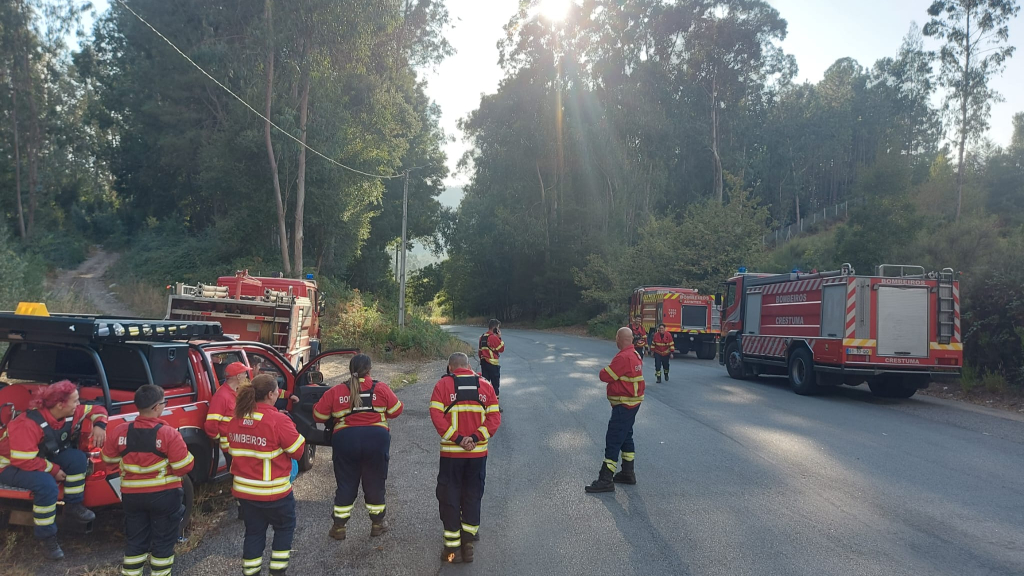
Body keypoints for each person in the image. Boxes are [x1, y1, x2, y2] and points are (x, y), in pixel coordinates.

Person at [0, 380, 107, 560]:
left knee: (77, 459)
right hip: (10, 466)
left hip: (39, 458)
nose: (79, 404)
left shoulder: (71, 412)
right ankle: (47, 538)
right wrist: (53, 469)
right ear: (60, 405)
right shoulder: (26, 424)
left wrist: (99, 425)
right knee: (47, 485)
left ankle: (74, 506)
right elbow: (24, 460)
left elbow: (97, 410)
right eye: (75, 401)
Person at [102, 385, 194, 576]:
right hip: (164, 496)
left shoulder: (120, 431)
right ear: (156, 407)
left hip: (131, 497)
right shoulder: (168, 433)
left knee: (135, 542)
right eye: (163, 403)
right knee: (163, 543)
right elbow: (183, 467)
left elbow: (108, 459)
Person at [313, 353, 403, 541]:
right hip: (376, 440)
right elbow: (396, 410)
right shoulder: (381, 388)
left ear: (350, 369)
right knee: (375, 482)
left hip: (345, 440)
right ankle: (378, 524)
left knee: (346, 484)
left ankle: (339, 527)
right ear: (369, 369)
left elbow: (318, 417)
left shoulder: (336, 391)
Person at [225, 374, 306, 576]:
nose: (279, 393)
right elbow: (298, 451)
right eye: (277, 390)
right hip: (274, 492)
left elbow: (229, 447)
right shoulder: (278, 420)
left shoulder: (236, 419)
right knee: (284, 528)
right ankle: (277, 572)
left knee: (253, 533)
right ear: (270, 394)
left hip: (245, 492)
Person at [429, 353, 501, 564]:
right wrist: (476, 438)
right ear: (469, 366)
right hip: (477, 454)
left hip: (452, 453)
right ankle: (468, 546)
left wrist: (459, 439)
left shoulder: (442, 385)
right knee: (472, 494)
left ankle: (451, 551)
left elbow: (437, 417)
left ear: (450, 367)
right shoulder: (486, 386)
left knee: (449, 495)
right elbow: (494, 418)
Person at [586, 328, 644, 493]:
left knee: (613, 439)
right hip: (632, 404)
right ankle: (627, 472)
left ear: (619, 338)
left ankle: (605, 479)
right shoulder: (634, 354)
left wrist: (603, 370)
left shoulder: (623, 357)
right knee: (626, 436)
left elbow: (605, 375)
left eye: (616, 337)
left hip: (624, 405)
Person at [204, 361, 251, 451]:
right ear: (238, 376)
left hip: (237, 443)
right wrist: (218, 438)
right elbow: (211, 424)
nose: (246, 376)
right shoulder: (221, 396)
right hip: (229, 446)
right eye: (244, 373)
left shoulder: (234, 392)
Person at [477, 319, 505, 408]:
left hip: (484, 364)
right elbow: (501, 348)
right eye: (498, 328)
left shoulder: (482, 337)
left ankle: (484, 404)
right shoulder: (493, 337)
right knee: (495, 386)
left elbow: (479, 352)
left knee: (485, 385)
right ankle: (495, 406)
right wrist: (499, 337)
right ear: (495, 328)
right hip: (493, 365)